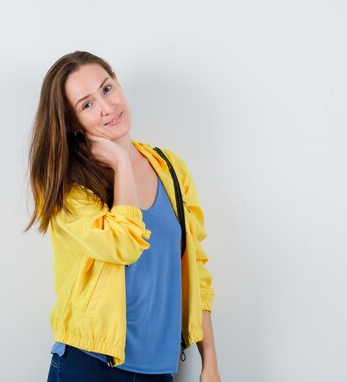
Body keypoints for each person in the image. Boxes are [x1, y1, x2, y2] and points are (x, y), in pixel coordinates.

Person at [26, 51, 221, 382]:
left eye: (106, 89)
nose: (106, 107)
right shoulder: (67, 187)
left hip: (158, 370)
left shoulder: (171, 169)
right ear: (72, 122)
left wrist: (210, 364)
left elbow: (195, 269)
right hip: (90, 365)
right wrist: (119, 162)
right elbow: (124, 243)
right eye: (86, 105)